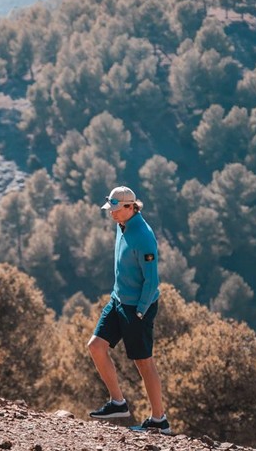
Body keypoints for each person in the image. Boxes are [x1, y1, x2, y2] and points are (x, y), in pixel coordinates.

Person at [87, 185, 171, 434]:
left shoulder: (143, 236)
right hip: (118, 300)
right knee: (95, 346)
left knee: (144, 363)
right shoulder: (121, 224)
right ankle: (118, 403)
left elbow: (152, 281)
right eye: (110, 208)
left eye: (115, 209)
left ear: (130, 207)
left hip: (138, 307)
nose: (111, 213)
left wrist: (140, 312)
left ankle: (159, 421)